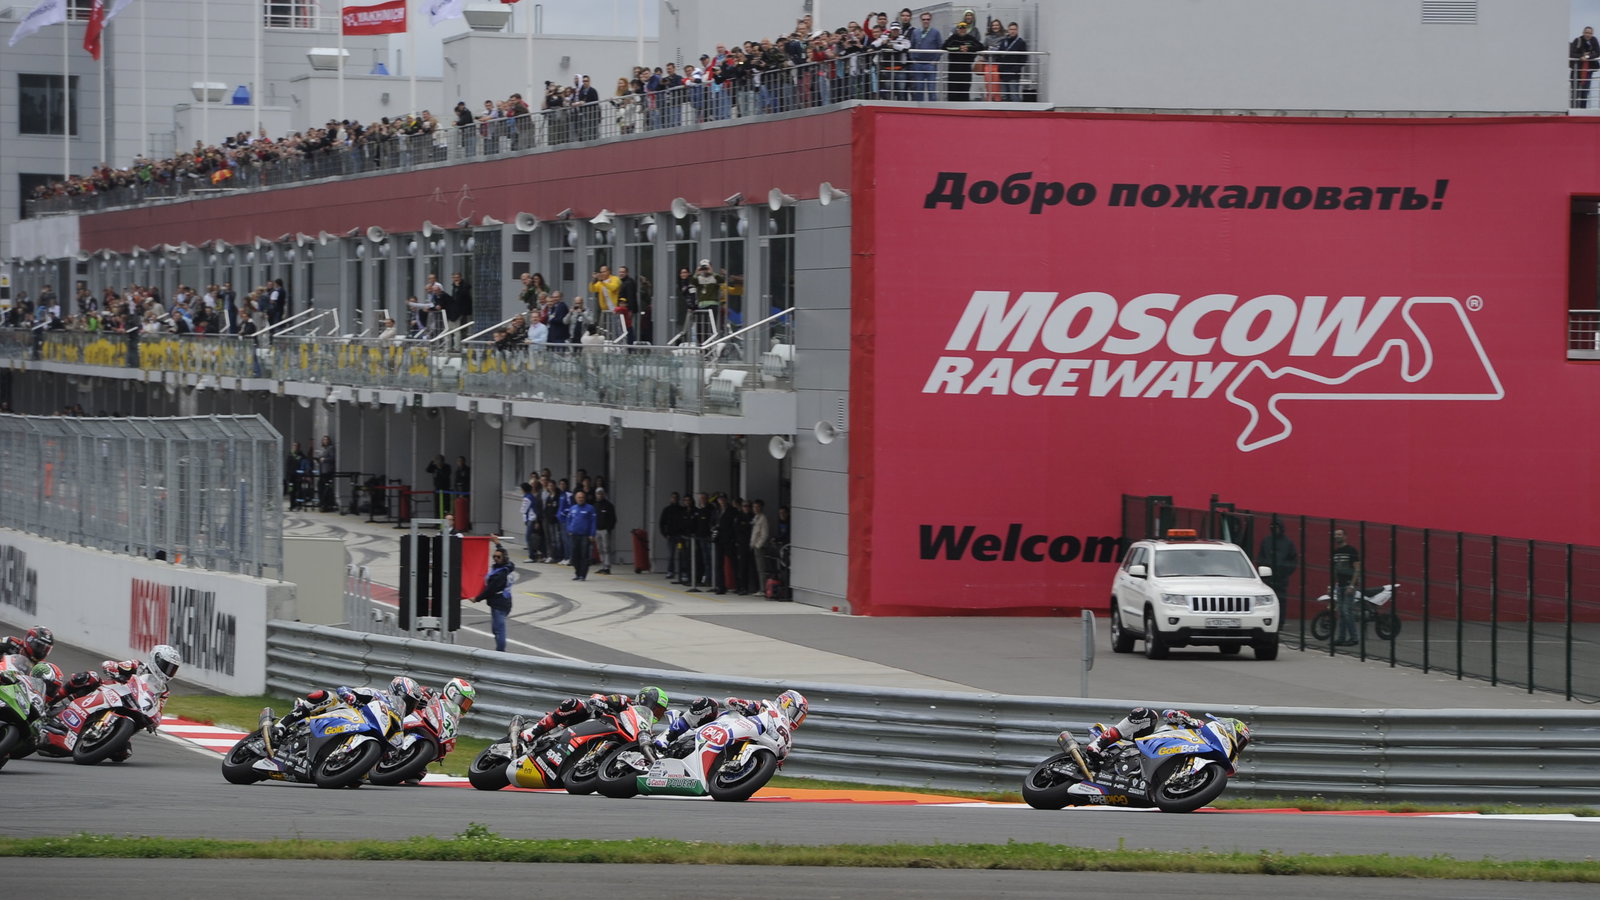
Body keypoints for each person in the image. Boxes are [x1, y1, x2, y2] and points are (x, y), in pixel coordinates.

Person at [517, 685, 670, 746]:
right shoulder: (624, 702)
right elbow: (598, 697)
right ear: (645, 700)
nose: (657, 714)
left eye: (660, 712)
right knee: (574, 704)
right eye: (656, 709)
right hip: (584, 724)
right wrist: (601, 702)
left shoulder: (646, 730)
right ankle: (530, 733)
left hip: (598, 741)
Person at [1084, 706, 1203, 762]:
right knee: (1146, 714)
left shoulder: (1202, 741)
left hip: (1165, 756)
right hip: (1148, 742)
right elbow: (1168, 713)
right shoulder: (1189, 723)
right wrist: (1176, 715)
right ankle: (1097, 744)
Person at [469, 544, 517, 651]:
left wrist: (477, 599)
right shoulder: (508, 566)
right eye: (494, 556)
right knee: (496, 629)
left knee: (499, 630)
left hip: (500, 603)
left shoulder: (500, 575)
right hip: (503, 601)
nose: (495, 559)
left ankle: (500, 652)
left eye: (498, 557)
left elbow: (490, 590)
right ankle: (500, 650)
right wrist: (498, 544)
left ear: (504, 558)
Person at [1331, 528, 1362, 646]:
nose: (1337, 537)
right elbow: (1335, 570)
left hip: (1349, 585)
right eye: (1335, 535)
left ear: (1345, 536)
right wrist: (1332, 584)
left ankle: (1354, 638)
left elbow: (1357, 569)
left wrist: (1352, 585)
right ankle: (1341, 638)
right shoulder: (1335, 552)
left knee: (1346, 611)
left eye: (1339, 535)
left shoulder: (1351, 550)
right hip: (1340, 585)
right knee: (1342, 613)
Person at [941, 19, 984, 101]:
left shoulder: (970, 38)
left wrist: (968, 48)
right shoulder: (953, 38)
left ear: (966, 29)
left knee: (964, 92)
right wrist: (959, 48)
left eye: (964, 28)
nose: (962, 29)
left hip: (966, 70)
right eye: (960, 28)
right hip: (953, 70)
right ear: (957, 29)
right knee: (952, 93)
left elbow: (981, 47)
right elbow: (945, 46)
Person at [1258, 517, 1299, 601]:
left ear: (1281, 528)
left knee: (1281, 602)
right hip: (1267, 579)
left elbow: (1293, 560)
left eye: (1276, 527)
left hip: (1281, 582)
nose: (1275, 529)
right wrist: (1264, 568)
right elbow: (1260, 558)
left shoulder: (1288, 543)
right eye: (1273, 527)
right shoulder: (1266, 541)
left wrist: (1283, 572)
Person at [565, 489, 598, 582]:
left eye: (582, 497)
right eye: (579, 497)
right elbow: (568, 520)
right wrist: (569, 530)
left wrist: (592, 534)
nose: (581, 499)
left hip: (585, 536)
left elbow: (593, 522)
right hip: (574, 535)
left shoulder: (590, 508)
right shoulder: (573, 508)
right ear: (576, 498)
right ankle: (577, 573)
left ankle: (583, 575)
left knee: (584, 555)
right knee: (574, 555)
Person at [995, 21, 1028, 102]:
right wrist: (1000, 67)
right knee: (1004, 96)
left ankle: (1017, 113)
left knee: (1014, 95)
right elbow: (998, 54)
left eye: (1014, 29)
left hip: (1014, 73)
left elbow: (1023, 58)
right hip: (1003, 72)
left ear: (1017, 30)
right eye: (1011, 29)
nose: (1012, 31)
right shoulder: (1004, 41)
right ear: (1008, 30)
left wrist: (1016, 69)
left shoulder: (1021, 42)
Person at [592, 486, 617, 575]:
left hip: (605, 530)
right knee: (600, 549)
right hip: (597, 530)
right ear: (596, 495)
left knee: (606, 548)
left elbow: (613, 519)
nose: (599, 495)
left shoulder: (609, 505)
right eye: (598, 493)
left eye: (601, 493)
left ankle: (607, 567)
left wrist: (609, 528)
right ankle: (603, 566)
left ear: (604, 494)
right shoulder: (595, 505)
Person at [1575, 27, 1600, 108]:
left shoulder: (1594, 40)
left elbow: (1597, 53)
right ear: (1583, 32)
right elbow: (1574, 53)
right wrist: (1582, 56)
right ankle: (1575, 107)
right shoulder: (1579, 40)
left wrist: (1588, 56)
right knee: (1575, 90)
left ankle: (1583, 108)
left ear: (1592, 34)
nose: (1588, 34)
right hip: (1578, 69)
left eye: (1590, 33)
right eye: (1586, 32)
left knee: (1585, 90)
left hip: (1589, 69)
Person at [519, 482, 542, 562]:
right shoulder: (531, 496)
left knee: (528, 537)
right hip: (532, 519)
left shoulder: (527, 498)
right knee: (532, 537)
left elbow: (523, 510)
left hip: (531, 519)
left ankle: (531, 556)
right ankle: (534, 554)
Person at [426, 454, 451, 518]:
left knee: (446, 506)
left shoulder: (447, 467)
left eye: (439, 460)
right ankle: (437, 521)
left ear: (442, 461)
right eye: (436, 460)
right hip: (437, 489)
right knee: (437, 506)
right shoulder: (434, 467)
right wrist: (432, 461)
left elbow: (445, 476)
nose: (438, 462)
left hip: (445, 489)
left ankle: (446, 520)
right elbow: (428, 470)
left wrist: (440, 469)